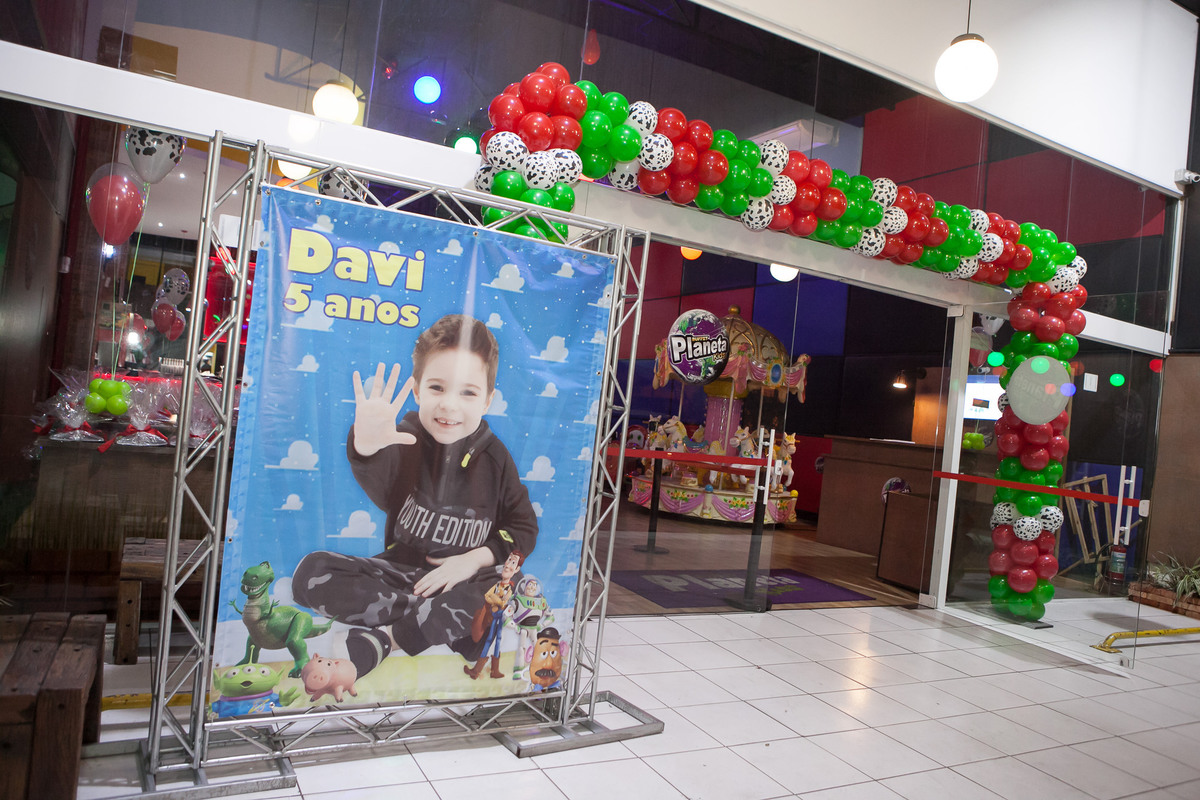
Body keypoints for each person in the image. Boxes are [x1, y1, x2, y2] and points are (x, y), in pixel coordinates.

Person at [292, 314, 538, 679]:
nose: (449, 406)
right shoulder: (404, 435)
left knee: (511, 585)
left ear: (487, 400)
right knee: (310, 573)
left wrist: (471, 561)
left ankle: (390, 639)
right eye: (437, 388)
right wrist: (367, 445)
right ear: (418, 389)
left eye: (467, 392)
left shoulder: (496, 458)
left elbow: (523, 527)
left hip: (466, 582)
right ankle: (439, 622)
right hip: (401, 576)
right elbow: (382, 483)